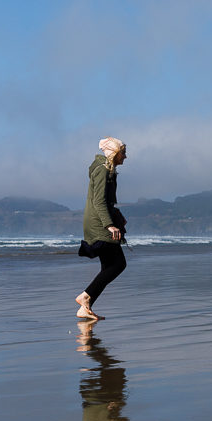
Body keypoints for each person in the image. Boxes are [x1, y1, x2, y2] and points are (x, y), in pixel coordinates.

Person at [75, 137, 128, 321]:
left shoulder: (108, 171)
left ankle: (85, 307)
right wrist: (110, 225)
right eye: (123, 152)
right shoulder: (103, 171)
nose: (126, 156)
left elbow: (105, 200)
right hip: (99, 223)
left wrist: (117, 215)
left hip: (100, 219)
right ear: (114, 153)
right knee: (118, 264)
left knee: (108, 266)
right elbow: (99, 201)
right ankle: (85, 297)